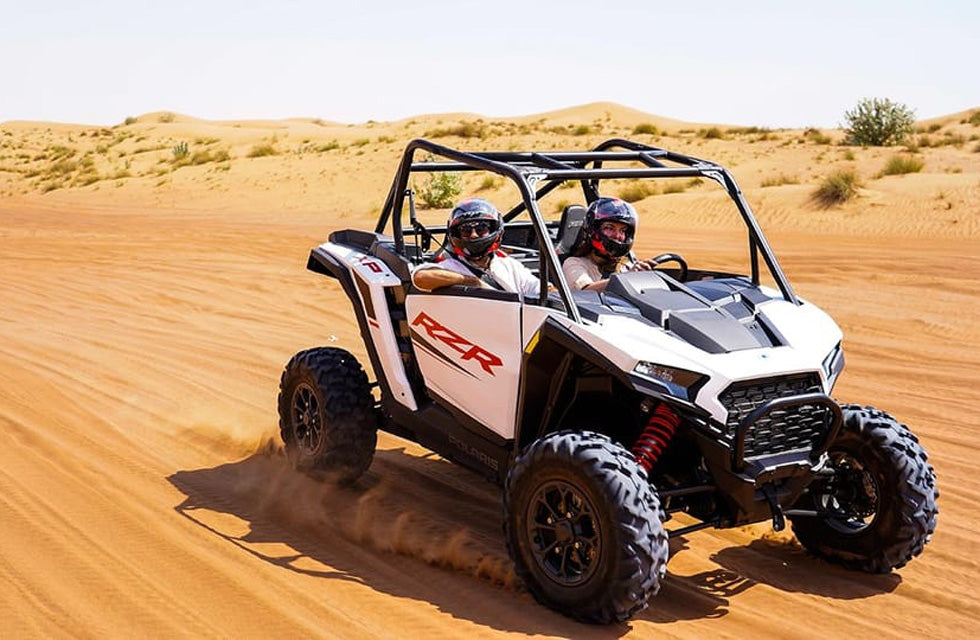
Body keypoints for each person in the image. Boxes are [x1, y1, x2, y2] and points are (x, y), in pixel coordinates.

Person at [412, 198, 541, 296]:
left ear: (493, 230)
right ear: (457, 234)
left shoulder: (508, 265)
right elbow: (420, 277)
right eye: (466, 230)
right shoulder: (451, 266)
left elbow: (539, 289)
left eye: (481, 228)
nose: (473, 235)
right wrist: (473, 282)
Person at [562, 197, 659, 291]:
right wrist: (627, 278)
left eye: (623, 230)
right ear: (592, 230)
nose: (617, 236)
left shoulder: (626, 264)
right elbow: (586, 291)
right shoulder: (574, 263)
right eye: (609, 228)